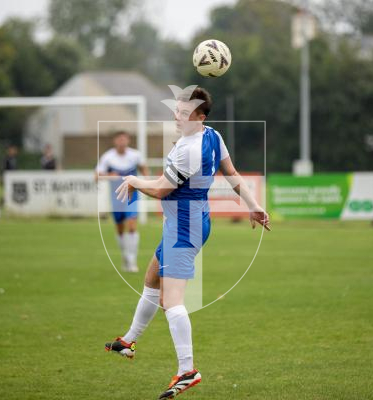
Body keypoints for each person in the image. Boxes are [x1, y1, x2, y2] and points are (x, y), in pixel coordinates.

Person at [105, 87, 270, 399]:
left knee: (173, 301)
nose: (176, 116)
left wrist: (133, 180)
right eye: (177, 110)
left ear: (200, 117)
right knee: (151, 278)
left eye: (183, 112)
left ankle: (187, 370)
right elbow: (232, 174)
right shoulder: (212, 136)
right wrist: (253, 204)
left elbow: (162, 190)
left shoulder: (190, 149)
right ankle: (128, 341)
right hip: (187, 223)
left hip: (184, 227)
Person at [96, 131, 149, 272]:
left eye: (124, 139)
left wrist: (148, 184)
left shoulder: (135, 155)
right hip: (116, 197)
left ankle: (132, 260)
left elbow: (144, 170)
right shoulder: (108, 157)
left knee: (131, 225)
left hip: (132, 195)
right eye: (119, 139)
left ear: (128, 140)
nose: (122, 142)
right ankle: (126, 256)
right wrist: (108, 175)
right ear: (115, 141)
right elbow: (97, 176)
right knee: (120, 229)